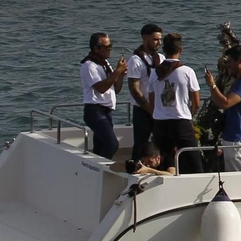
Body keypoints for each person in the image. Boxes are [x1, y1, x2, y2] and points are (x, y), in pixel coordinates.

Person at [152, 32, 201, 174]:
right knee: (193, 161)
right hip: (181, 121)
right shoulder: (187, 71)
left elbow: (151, 99)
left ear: (164, 51)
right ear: (180, 50)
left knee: (165, 161)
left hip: (160, 121)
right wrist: (190, 115)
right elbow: (196, 102)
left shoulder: (155, 73)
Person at [205, 45, 241, 173]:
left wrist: (212, 85)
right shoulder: (239, 81)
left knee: (238, 179)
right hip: (232, 137)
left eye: (230, 62)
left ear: (239, 61)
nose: (227, 65)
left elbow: (225, 103)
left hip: (238, 140)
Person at [79, 33, 127, 160]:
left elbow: (116, 89)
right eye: (106, 47)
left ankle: (96, 168)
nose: (109, 50)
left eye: (110, 46)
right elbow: (100, 88)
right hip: (95, 111)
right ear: (96, 48)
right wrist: (117, 71)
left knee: (100, 146)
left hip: (107, 110)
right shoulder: (89, 65)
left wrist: (120, 75)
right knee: (112, 144)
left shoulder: (104, 64)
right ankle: (101, 167)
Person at [125, 23, 163, 171]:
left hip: (158, 108)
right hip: (142, 109)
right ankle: (134, 168)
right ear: (145, 38)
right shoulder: (135, 60)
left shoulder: (160, 57)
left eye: (160, 39)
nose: (158, 43)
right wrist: (149, 108)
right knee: (140, 143)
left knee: (160, 142)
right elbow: (134, 88)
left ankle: (159, 168)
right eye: (155, 39)